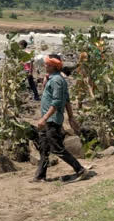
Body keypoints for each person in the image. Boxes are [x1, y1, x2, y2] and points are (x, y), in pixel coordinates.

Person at [32, 54, 87, 183]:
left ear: (54, 66)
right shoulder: (53, 79)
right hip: (49, 119)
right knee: (44, 147)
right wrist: (71, 117)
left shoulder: (57, 80)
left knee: (56, 147)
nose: (45, 66)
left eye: (48, 64)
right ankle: (40, 176)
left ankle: (80, 170)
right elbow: (66, 100)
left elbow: (57, 102)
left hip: (52, 120)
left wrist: (44, 118)